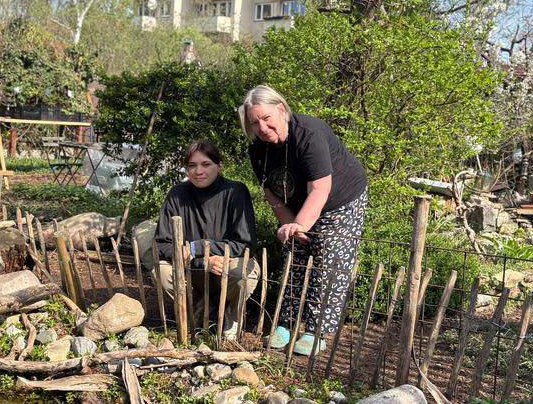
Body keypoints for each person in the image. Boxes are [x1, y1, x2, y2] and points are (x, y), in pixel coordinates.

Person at [239, 85, 368, 355]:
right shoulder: (258, 150)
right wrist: (289, 227)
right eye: (254, 122)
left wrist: (301, 224)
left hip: (339, 200)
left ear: (281, 110)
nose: (261, 127)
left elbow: (320, 190)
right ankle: (285, 325)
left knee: (328, 260)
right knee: (294, 253)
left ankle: (315, 331)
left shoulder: (310, 134)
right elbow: (272, 195)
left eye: (266, 118)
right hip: (297, 203)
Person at [139, 140, 260, 339]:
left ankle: (230, 315)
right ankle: (195, 308)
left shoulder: (235, 192)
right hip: (192, 268)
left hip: (226, 265)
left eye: (206, 164)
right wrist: (201, 260)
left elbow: (245, 244)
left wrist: (200, 246)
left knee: (241, 273)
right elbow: (162, 243)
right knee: (161, 270)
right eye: (192, 166)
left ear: (219, 166)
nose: (198, 171)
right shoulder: (177, 194)